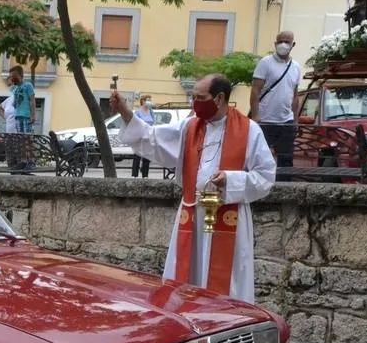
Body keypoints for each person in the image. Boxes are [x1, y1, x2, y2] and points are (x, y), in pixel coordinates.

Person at [112, 73, 277, 304]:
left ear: (219, 99)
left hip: (228, 218)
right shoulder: (190, 127)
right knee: (187, 276)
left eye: (199, 98)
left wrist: (231, 179)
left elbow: (266, 176)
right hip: (192, 215)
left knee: (225, 286)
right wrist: (125, 112)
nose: (194, 103)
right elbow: (153, 138)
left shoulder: (249, 130)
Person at [250, 31, 301, 171]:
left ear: (293, 44)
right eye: (280, 41)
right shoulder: (265, 63)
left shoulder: (296, 66)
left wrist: (295, 119)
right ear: (275, 43)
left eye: (287, 41)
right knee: (261, 159)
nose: (283, 44)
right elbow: (255, 90)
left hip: (286, 122)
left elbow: (295, 95)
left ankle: (286, 187)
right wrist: (255, 115)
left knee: (286, 160)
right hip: (265, 120)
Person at [9, 65, 36, 171]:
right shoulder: (15, 88)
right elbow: (15, 102)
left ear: (20, 75)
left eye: (14, 76)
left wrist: (33, 115)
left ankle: (31, 161)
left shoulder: (28, 86)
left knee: (27, 139)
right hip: (17, 116)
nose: (12, 78)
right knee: (20, 140)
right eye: (11, 76)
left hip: (26, 116)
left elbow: (32, 100)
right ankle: (23, 161)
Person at [131, 94, 155, 178]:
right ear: (143, 101)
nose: (150, 102)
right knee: (137, 155)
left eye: (150, 100)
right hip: (139, 136)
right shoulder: (137, 112)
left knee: (147, 156)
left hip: (148, 136)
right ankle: (134, 175)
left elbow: (153, 122)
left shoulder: (151, 111)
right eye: (148, 100)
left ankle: (145, 175)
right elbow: (135, 124)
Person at [0, 81, 17, 167]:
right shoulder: (9, 99)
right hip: (9, 132)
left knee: (17, 154)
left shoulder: (23, 99)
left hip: (19, 133)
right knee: (10, 155)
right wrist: (6, 118)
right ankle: (11, 166)